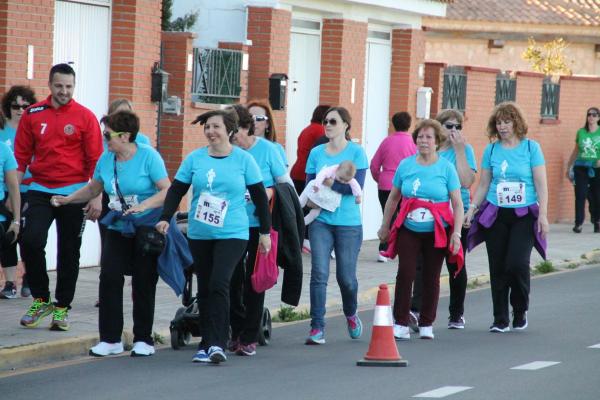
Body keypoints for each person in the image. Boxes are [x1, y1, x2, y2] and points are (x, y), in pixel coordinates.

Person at [156, 109, 271, 364]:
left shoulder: (243, 160)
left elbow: (261, 198)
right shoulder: (195, 159)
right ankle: (206, 344)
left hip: (233, 232)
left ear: (229, 130)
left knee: (220, 282)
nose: (211, 132)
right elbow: (176, 190)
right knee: (206, 287)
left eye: (216, 127)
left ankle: (218, 344)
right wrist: (165, 217)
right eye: (207, 127)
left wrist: (265, 232)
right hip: (200, 232)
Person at [51, 110, 170, 357]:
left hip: (146, 226)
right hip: (118, 224)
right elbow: (94, 186)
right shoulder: (107, 159)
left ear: (125, 136)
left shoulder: (149, 157)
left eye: (108, 135)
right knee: (109, 277)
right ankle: (110, 339)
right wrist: (69, 199)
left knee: (143, 280)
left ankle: (144, 339)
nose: (105, 140)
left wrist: (144, 206)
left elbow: (167, 191)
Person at [15, 63, 103, 331]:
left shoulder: (85, 117)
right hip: (39, 189)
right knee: (30, 241)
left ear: (73, 87)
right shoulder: (33, 114)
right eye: (59, 86)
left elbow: (96, 162)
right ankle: (42, 300)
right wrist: (14, 197)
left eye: (69, 86)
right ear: (50, 85)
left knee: (69, 252)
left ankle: (62, 308)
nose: (64, 91)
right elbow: (20, 159)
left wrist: (95, 197)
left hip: (74, 193)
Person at [465, 102, 548, 333]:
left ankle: (520, 310)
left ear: (517, 123)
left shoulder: (531, 148)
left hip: (524, 214)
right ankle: (500, 318)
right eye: (499, 123)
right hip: (496, 213)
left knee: (517, 263)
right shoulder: (491, 150)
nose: (502, 127)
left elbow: (541, 184)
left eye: (507, 122)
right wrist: (472, 208)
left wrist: (543, 215)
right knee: (498, 266)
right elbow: (484, 183)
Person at [378, 119, 463, 341]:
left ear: (437, 142)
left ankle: (426, 322)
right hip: (409, 226)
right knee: (405, 272)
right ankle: (400, 322)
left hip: (437, 228)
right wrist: (385, 225)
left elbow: (457, 203)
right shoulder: (406, 165)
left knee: (431, 275)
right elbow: (393, 198)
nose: (423, 141)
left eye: (429, 137)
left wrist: (456, 233)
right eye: (420, 137)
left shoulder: (446, 167)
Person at [228, 104, 288, 357]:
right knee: (232, 279)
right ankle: (237, 329)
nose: (232, 140)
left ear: (245, 128)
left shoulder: (268, 150)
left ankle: (250, 335)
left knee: (255, 280)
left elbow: (285, 186)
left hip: (259, 224)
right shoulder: (227, 152)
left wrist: (270, 192)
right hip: (231, 225)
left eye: (234, 133)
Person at [304, 106, 368, 345]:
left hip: (348, 223)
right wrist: (312, 196)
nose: (327, 125)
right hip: (321, 220)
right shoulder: (317, 153)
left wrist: (329, 183)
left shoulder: (356, 153)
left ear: (345, 126)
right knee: (319, 273)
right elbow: (311, 184)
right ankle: (317, 327)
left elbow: (354, 188)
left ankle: (351, 313)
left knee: (346, 278)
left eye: (333, 121)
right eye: (325, 121)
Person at [410, 110, 477, 330]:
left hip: (457, 213)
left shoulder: (465, 150)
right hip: (429, 215)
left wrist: (459, 152)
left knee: (455, 263)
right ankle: (416, 310)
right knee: (423, 264)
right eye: (449, 126)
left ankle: (456, 313)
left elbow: (467, 181)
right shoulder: (430, 149)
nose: (454, 131)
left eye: (458, 127)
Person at [0, 85, 36, 299]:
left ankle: (30, 279)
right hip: (5, 192)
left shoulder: (34, 130)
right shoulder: (2, 131)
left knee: (29, 236)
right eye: (15, 105)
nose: (20, 110)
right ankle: (11, 282)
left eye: (25, 106)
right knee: (8, 235)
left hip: (30, 190)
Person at [370, 111, 416, 262]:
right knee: (405, 218)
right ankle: (402, 248)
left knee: (387, 216)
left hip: (386, 184)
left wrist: (379, 179)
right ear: (409, 125)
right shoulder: (413, 143)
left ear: (393, 124)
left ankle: (383, 249)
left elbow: (374, 165)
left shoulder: (387, 141)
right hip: (406, 186)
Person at [290, 104, 330, 253]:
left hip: (296, 172)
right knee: (309, 209)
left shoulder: (306, 130)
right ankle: (304, 239)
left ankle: (300, 239)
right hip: (307, 175)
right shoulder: (320, 131)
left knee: (301, 207)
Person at [566, 107, 600, 233]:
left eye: (594, 115)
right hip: (581, 167)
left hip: (597, 168)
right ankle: (578, 223)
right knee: (580, 194)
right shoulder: (581, 132)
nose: (591, 117)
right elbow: (576, 150)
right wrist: (569, 166)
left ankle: (597, 221)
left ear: (598, 118)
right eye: (589, 114)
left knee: (597, 196)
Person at [299, 161, 362, 225]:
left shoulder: (347, 176)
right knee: (302, 200)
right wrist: (317, 185)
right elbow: (322, 174)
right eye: (341, 178)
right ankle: (296, 207)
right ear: (337, 170)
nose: (342, 182)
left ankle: (302, 224)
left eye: (346, 181)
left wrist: (358, 196)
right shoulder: (331, 170)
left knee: (315, 214)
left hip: (327, 195)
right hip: (319, 187)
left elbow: (355, 185)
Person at [247, 100, 288, 166]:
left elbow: (283, 175)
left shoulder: (276, 148)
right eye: (249, 117)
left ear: (267, 124)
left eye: (259, 118)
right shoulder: (238, 148)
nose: (254, 122)